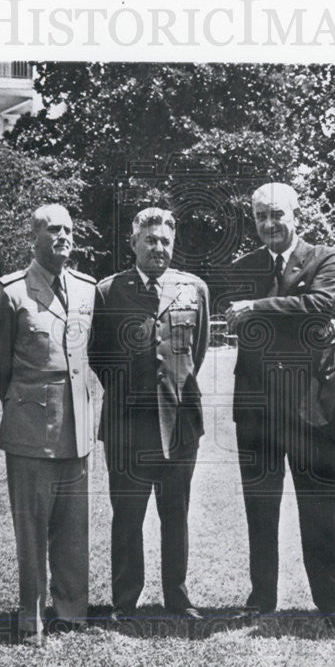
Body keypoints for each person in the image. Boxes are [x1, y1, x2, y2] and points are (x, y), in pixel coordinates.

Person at [225, 182, 335, 627]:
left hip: (314, 403)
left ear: (296, 214)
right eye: (261, 216)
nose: (269, 224)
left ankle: (331, 602)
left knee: (319, 505)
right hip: (259, 406)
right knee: (259, 505)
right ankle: (262, 598)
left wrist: (257, 307)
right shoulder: (244, 266)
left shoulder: (324, 257)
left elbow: (320, 305)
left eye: (277, 215)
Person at [0, 204, 96, 640]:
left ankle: (72, 612)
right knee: (31, 527)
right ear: (33, 237)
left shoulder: (87, 290)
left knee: (73, 524)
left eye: (68, 229)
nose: (63, 236)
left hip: (77, 426)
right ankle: (31, 618)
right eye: (53, 229)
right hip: (31, 428)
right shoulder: (10, 292)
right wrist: (28, 404)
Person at [90, 207, 209, 621]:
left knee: (175, 514)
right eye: (151, 240)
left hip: (181, 422)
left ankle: (177, 596)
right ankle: (125, 601)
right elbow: (98, 355)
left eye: (165, 241)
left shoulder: (194, 288)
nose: (158, 247)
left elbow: (199, 350)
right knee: (128, 515)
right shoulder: (108, 291)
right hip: (127, 424)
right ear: (134, 242)